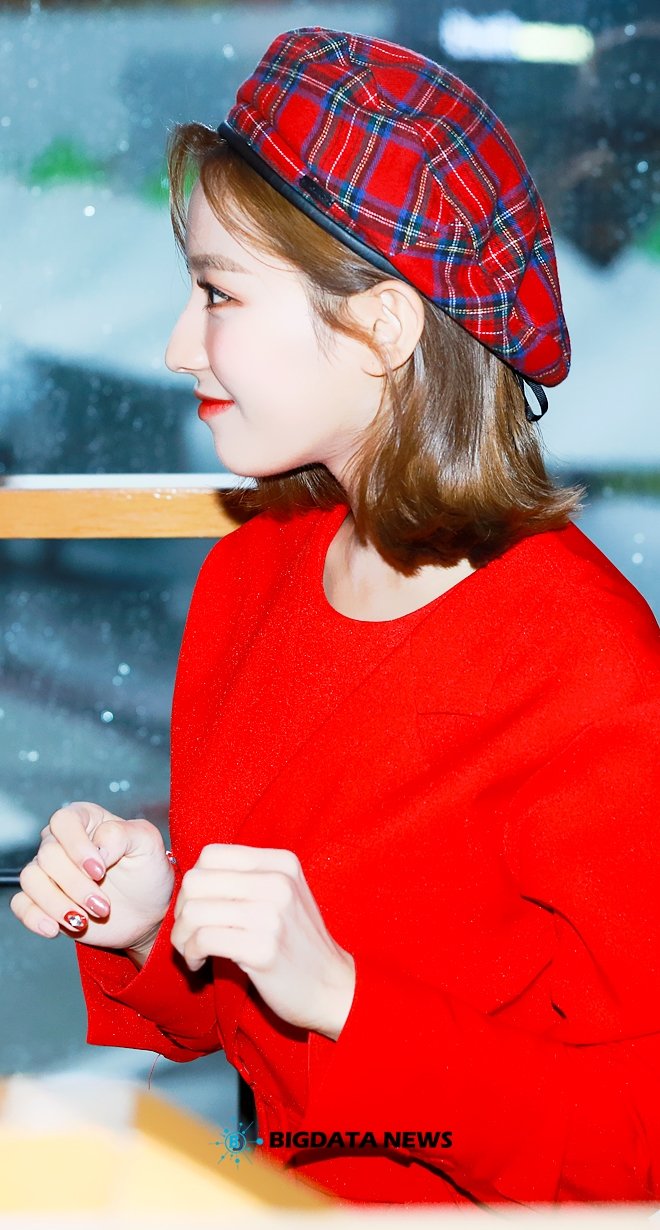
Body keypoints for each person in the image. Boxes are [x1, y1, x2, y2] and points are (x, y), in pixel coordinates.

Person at [10, 26, 660, 1207]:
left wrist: (345, 997)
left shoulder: (590, 676)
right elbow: (249, 1017)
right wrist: (152, 920)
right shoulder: (253, 575)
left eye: (218, 293)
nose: (178, 346)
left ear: (383, 329)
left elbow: (633, 1147)